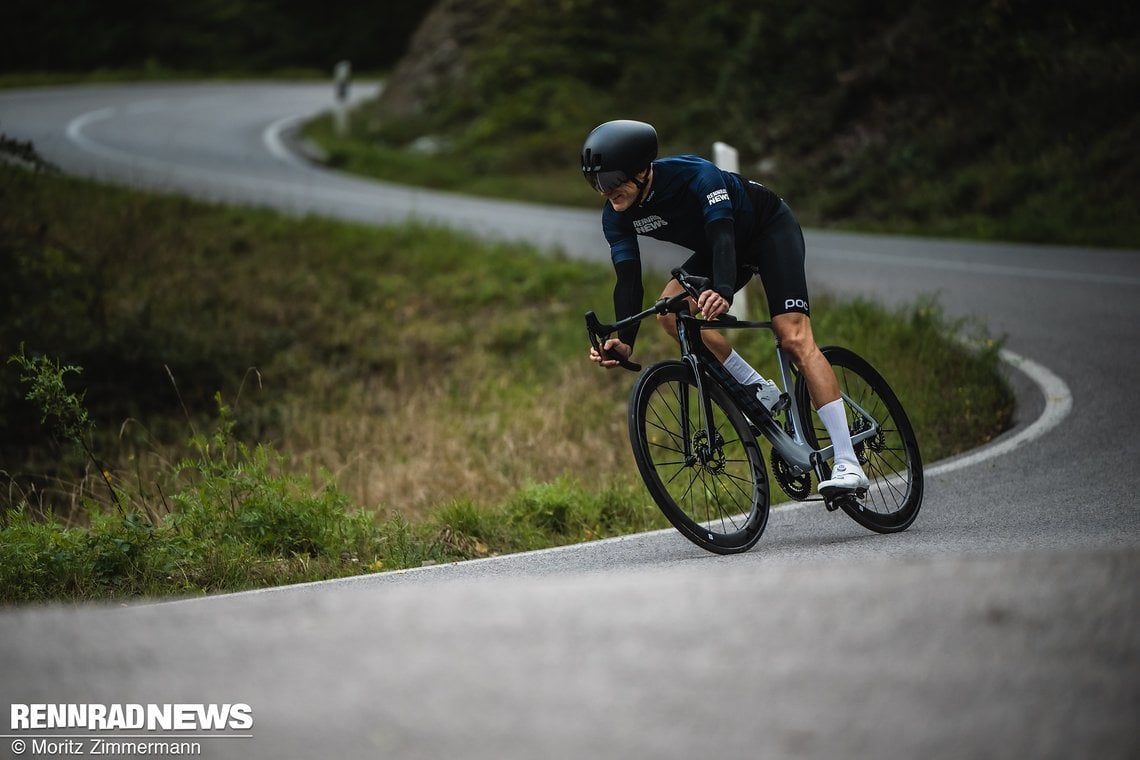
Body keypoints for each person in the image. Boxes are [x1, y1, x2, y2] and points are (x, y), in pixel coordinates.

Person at [582, 119, 868, 493]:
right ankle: (754, 387)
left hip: (766, 231)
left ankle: (848, 463)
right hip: (721, 248)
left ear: (640, 170)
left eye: (609, 181)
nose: (604, 193)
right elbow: (629, 279)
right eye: (595, 184)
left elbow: (721, 235)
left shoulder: (696, 175)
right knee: (669, 310)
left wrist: (724, 291)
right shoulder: (616, 214)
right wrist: (624, 340)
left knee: (793, 337)